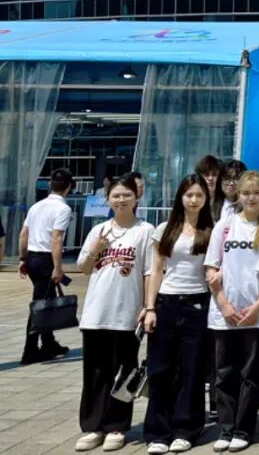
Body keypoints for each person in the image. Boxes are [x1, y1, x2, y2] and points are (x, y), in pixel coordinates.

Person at [74, 177, 155, 453]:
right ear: (108, 199)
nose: (121, 200)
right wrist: (96, 249)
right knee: (95, 372)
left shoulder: (145, 230)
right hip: (97, 312)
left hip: (127, 313)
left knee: (124, 372)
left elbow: (149, 271)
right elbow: (84, 268)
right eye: (116, 196)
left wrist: (147, 306)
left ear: (136, 198)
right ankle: (93, 426)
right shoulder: (98, 230)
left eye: (126, 195)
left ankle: (117, 426)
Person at [142, 175, 215, 454]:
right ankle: (158, 431)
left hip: (197, 304)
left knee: (191, 370)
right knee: (160, 369)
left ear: (206, 199)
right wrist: (150, 307)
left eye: (199, 195)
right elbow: (156, 270)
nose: (194, 200)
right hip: (166, 303)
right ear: (180, 197)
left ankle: (186, 429)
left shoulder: (212, 229)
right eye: (189, 195)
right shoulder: (165, 228)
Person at [206, 170, 259, 453]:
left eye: (256, 193)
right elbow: (211, 267)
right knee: (224, 374)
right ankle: (226, 428)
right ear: (238, 195)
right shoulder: (225, 226)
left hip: (256, 314)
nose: (251, 198)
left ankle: (244, 430)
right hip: (224, 313)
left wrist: (258, 306)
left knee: (251, 375)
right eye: (246, 193)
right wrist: (224, 304)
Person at [19, 168, 74, 365]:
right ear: (69, 186)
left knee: (46, 301)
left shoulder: (37, 206)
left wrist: (22, 258)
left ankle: (49, 343)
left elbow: (23, 234)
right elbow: (56, 238)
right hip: (46, 260)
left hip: (33, 257)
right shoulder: (63, 209)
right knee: (40, 305)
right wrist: (57, 267)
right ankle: (30, 350)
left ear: (50, 185)